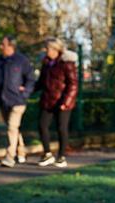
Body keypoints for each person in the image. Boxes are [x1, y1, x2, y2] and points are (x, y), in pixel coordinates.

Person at [0, 35, 35, 168]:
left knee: (11, 127)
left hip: (18, 101)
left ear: (11, 46)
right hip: (3, 101)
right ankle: (21, 152)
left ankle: (10, 157)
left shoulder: (21, 60)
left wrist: (25, 93)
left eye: (3, 44)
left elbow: (31, 79)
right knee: (13, 128)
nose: (0, 46)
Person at [33, 38, 78, 168]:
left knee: (61, 128)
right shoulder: (46, 64)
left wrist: (66, 102)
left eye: (47, 48)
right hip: (48, 100)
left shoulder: (66, 64)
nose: (45, 51)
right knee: (42, 126)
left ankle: (61, 157)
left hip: (62, 102)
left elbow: (73, 85)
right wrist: (27, 89)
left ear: (55, 49)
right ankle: (47, 154)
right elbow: (41, 82)